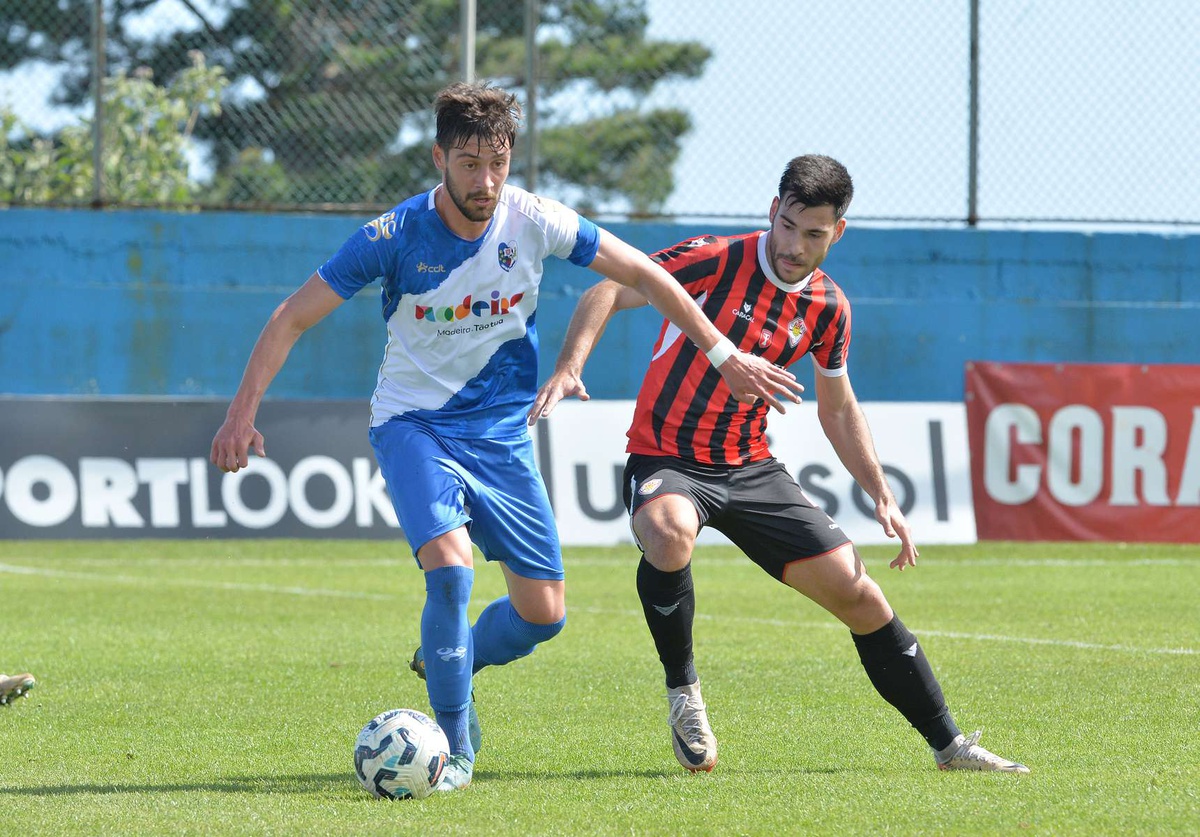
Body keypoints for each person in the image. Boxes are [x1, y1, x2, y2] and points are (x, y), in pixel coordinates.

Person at [209, 82, 800, 792]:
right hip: (414, 426)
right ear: (438, 159)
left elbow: (643, 272)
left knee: (543, 613)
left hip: (501, 433)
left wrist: (721, 352)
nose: (484, 181)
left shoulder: (535, 220)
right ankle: (453, 750)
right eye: (467, 163)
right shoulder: (392, 236)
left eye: (496, 163)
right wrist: (242, 412)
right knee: (451, 568)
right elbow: (291, 317)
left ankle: (446, 657)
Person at [529, 154, 1029, 774]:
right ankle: (684, 693)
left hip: (751, 468)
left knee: (861, 596)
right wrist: (571, 365)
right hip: (666, 456)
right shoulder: (716, 258)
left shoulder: (829, 307)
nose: (794, 245)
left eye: (813, 233)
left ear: (836, 233)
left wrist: (881, 493)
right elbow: (608, 286)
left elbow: (838, 409)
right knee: (667, 531)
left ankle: (950, 747)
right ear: (773, 211)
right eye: (788, 225)